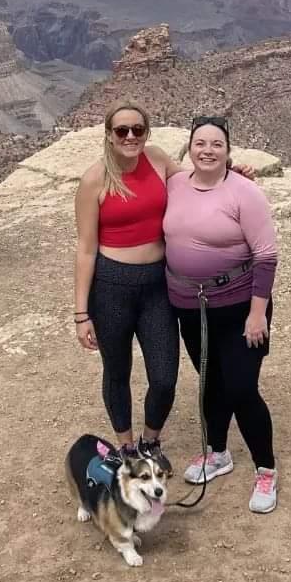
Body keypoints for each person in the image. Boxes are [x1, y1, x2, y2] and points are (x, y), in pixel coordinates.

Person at [163, 114, 280, 514]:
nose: (207, 150)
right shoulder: (175, 184)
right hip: (191, 309)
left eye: (216, 144)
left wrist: (258, 313)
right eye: (200, 143)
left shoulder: (244, 191)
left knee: (242, 387)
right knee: (210, 381)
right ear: (189, 148)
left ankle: (266, 468)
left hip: (240, 307)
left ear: (228, 152)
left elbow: (266, 256)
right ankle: (218, 453)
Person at [74, 101, 179, 468]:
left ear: (147, 132)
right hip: (111, 287)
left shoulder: (160, 160)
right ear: (109, 135)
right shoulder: (94, 180)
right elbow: (86, 249)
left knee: (165, 376)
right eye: (122, 131)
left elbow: (195, 186)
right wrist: (81, 313)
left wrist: (231, 171)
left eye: (138, 129)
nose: (131, 136)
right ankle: (127, 448)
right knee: (117, 371)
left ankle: (151, 441)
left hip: (157, 285)